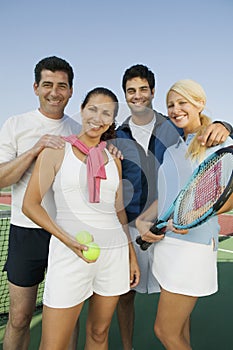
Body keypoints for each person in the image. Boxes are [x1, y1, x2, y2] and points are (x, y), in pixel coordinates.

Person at [115, 64, 233, 350]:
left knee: (164, 331)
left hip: (191, 247)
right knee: (179, 330)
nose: (176, 109)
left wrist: (195, 215)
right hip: (167, 245)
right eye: (171, 105)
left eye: (183, 103)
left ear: (200, 104)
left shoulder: (216, 141)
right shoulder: (176, 146)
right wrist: (144, 221)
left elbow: (225, 196)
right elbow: (169, 196)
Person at [22, 86, 140, 350]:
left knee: (99, 334)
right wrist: (68, 240)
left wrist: (131, 255)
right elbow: (31, 205)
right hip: (68, 255)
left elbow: (118, 210)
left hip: (113, 255)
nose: (98, 118)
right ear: (82, 109)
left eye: (106, 113)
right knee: (53, 344)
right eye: (93, 109)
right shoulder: (55, 151)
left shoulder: (113, 159)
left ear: (111, 121)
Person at [0, 56, 82, 350]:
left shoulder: (80, 130)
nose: (54, 92)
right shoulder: (16, 124)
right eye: (47, 84)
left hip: (67, 235)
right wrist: (35, 150)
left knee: (66, 318)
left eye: (62, 86)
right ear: (36, 87)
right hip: (26, 233)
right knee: (20, 318)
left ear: (71, 91)